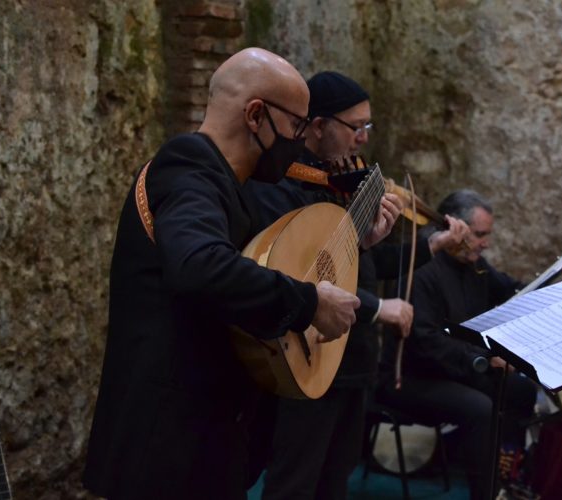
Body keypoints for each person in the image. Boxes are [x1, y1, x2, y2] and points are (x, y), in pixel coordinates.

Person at [81, 48, 368, 500]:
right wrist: (311, 303)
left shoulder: (226, 183)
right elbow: (199, 266)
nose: (299, 141)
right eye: (296, 125)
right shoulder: (189, 169)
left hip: (202, 441)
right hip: (166, 450)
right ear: (256, 115)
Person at [245, 71, 465, 500]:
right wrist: (379, 308)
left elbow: (354, 266)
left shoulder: (339, 184)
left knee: (336, 478)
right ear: (317, 126)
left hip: (354, 359)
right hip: (310, 356)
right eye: (356, 126)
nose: (363, 138)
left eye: (368, 126)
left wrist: (429, 244)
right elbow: (302, 276)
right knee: (295, 481)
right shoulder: (282, 187)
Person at [378, 189, 538, 500]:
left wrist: (544, 292)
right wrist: (484, 358)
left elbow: (507, 290)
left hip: (456, 368)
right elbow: (423, 342)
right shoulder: (422, 266)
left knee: (521, 390)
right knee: (479, 407)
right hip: (410, 377)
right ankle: (487, 493)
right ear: (457, 229)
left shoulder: (474, 264)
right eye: (479, 235)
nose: (485, 243)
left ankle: (506, 478)